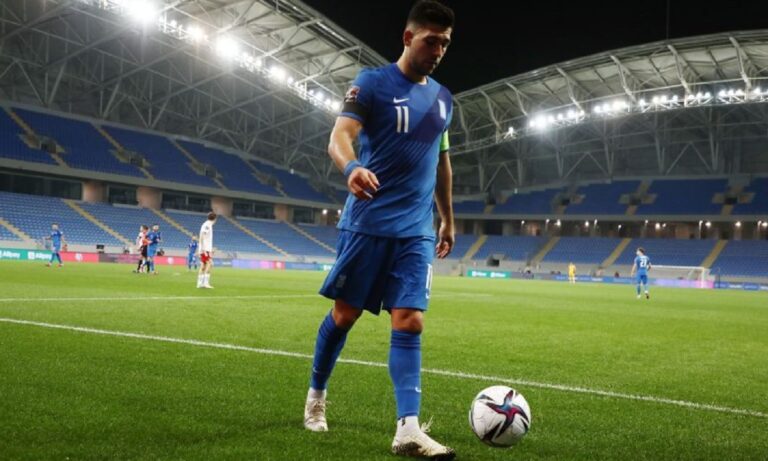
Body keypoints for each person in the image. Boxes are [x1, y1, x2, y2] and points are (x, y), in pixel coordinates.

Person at [302, 2, 456, 458]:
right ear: (408, 38)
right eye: (431, 41)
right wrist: (351, 168)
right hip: (368, 223)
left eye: (445, 43)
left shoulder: (444, 99)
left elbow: (442, 163)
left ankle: (407, 428)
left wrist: (447, 218)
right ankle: (316, 396)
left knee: (410, 320)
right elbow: (339, 136)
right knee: (344, 315)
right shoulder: (371, 83)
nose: (438, 51)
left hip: (416, 230)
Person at [197, 212, 217, 289]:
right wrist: (203, 249)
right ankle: (205, 283)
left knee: (203, 265)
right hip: (205, 249)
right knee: (210, 264)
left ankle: (200, 284)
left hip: (205, 248)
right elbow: (202, 236)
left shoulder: (207, 224)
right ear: (215, 219)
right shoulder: (207, 225)